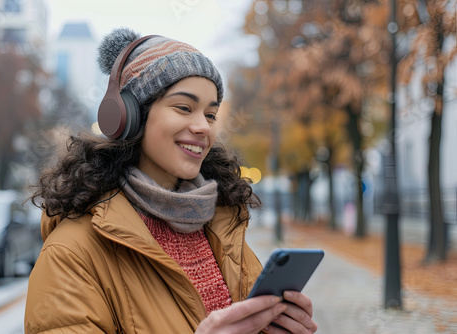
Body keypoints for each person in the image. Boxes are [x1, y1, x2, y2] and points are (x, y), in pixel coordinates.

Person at [24, 27, 318, 334]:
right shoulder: (71, 253)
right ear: (131, 116)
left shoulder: (223, 226)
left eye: (211, 114)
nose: (203, 126)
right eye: (184, 108)